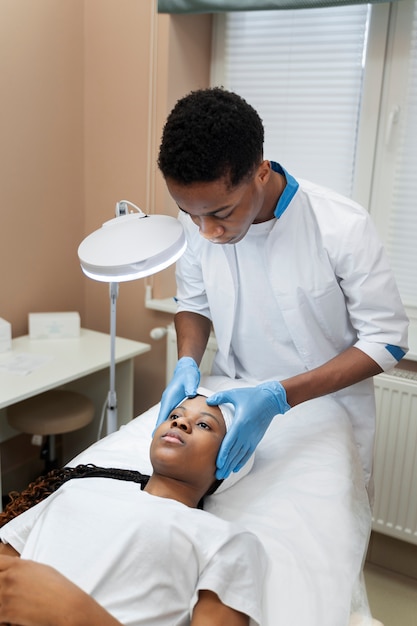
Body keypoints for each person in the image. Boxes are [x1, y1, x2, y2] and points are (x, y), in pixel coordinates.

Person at [156, 87, 409, 485]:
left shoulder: (341, 226)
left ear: (260, 172)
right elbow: (194, 302)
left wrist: (279, 396)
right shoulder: (201, 218)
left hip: (326, 414)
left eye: (221, 213)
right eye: (190, 214)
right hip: (230, 400)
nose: (206, 231)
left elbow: (387, 340)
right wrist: (186, 360)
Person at [0, 392, 265, 626]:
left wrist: (73, 613)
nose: (179, 422)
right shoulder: (78, 489)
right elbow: (7, 556)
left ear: (231, 460)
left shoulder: (225, 540)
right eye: (174, 414)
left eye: (204, 424)